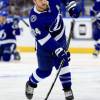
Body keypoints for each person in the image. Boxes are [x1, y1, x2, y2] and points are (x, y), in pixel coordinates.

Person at [25, 0, 81, 100]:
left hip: (60, 40)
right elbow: (45, 40)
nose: (43, 1)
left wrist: (71, 6)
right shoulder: (34, 19)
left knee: (63, 65)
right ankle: (31, 83)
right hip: (44, 47)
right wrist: (58, 50)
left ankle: (67, 89)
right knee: (45, 71)